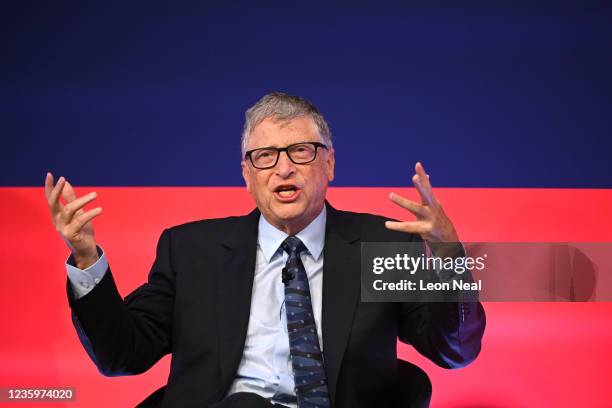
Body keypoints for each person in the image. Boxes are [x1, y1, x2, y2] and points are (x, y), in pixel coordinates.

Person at [45, 92, 485, 408]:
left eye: (301, 151)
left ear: (329, 164)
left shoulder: (382, 244)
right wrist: (86, 259)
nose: (284, 167)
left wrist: (448, 256)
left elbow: (454, 351)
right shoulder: (192, 250)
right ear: (246, 173)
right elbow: (124, 354)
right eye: (266, 156)